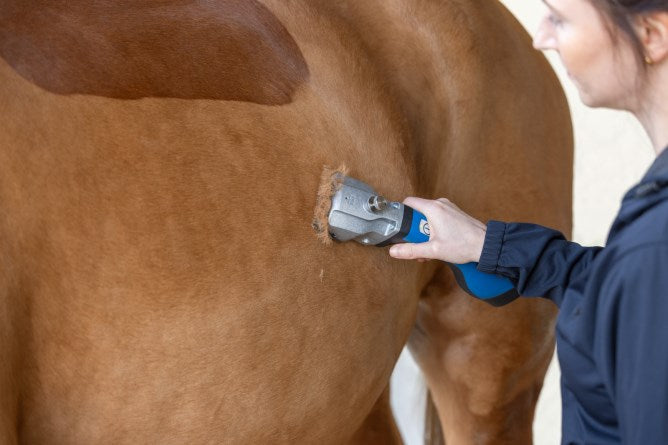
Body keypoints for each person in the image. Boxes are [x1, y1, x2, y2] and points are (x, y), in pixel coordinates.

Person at [388, 0, 668, 443]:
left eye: (560, 19)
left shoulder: (654, 247)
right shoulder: (653, 235)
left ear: (651, 36)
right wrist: (489, 246)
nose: (540, 38)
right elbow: (619, 287)